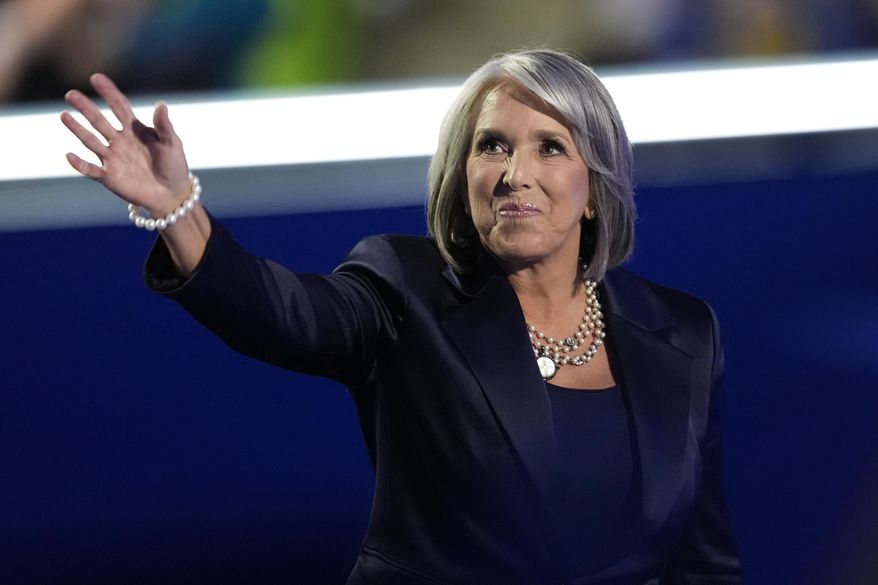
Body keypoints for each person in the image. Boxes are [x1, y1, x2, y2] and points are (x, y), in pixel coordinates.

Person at [60, 49, 742, 585]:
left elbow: (703, 563)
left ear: (596, 188)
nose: (514, 174)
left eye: (550, 147)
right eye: (492, 145)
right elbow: (281, 311)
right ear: (461, 171)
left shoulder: (683, 332)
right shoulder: (403, 289)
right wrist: (179, 206)